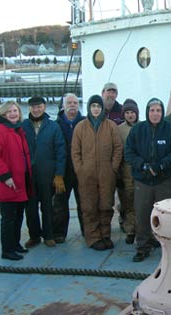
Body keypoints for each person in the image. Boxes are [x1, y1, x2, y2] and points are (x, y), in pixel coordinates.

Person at [125, 98, 171, 262]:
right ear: (147, 112)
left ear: (162, 112)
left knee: (166, 216)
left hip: (165, 180)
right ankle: (143, 246)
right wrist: (142, 166)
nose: (155, 114)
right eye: (152, 110)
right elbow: (129, 152)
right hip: (143, 181)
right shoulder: (137, 130)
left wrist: (161, 166)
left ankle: (168, 247)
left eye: (158, 110)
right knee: (142, 215)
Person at [71, 95, 122, 251]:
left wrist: (113, 167)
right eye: (93, 106)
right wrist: (80, 169)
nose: (95, 109)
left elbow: (118, 148)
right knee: (89, 206)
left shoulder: (111, 126)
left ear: (102, 108)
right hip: (87, 174)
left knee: (106, 205)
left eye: (98, 106)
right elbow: (75, 151)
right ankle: (93, 237)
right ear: (89, 108)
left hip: (107, 173)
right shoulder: (80, 127)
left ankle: (105, 235)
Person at [0, 101, 32, 260]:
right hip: (8, 183)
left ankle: (15, 244)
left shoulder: (16, 130)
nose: (13, 114)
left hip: (20, 181)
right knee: (8, 217)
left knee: (19, 215)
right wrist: (6, 177)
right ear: (3, 114)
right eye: (10, 111)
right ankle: (7, 249)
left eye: (16, 111)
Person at [22, 96, 66, 248]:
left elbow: (61, 151)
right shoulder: (22, 126)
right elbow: (7, 131)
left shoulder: (53, 127)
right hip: (28, 175)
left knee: (48, 207)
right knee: (31, 208)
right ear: (29, 108)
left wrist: (59, 174)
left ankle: (48, 235)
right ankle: (34, 236)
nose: (36, 109)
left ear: (44, 107)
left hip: (47, 174)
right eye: (33, 107)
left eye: (39, 106)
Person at [53, 93, 86, 242]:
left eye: (75, 102)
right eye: (69, 102)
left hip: (80, 170)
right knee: (60, 204)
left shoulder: (85, 123)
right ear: (63, 105)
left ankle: (87, 231)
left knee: (84, 203)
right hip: (63, 171)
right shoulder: (56, 124)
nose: (72, 105)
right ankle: (59, 233)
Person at [117, 98, 140, 245]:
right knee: (128, 200)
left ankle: (143, 230)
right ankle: (130, 230)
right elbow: (117, 151)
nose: (130, 115)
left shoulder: (143, 127)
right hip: (126, 169)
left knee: (142, 201)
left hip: (140, 169)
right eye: (127, 112)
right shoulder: (119, 129)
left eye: (132, 112)